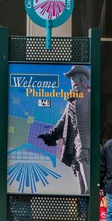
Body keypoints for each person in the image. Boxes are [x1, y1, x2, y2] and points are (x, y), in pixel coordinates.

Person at [37, 65, 91, 194]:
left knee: (83, 158)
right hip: (75, 140)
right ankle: (83, 194)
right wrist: (51, 134)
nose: (72, 83)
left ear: (82, 80)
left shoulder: (90, 95)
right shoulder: (72, 99)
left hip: (86, 138)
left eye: (74, 79)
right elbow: (63, 120)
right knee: (77, 164)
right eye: (72, 80)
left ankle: (90, 191)